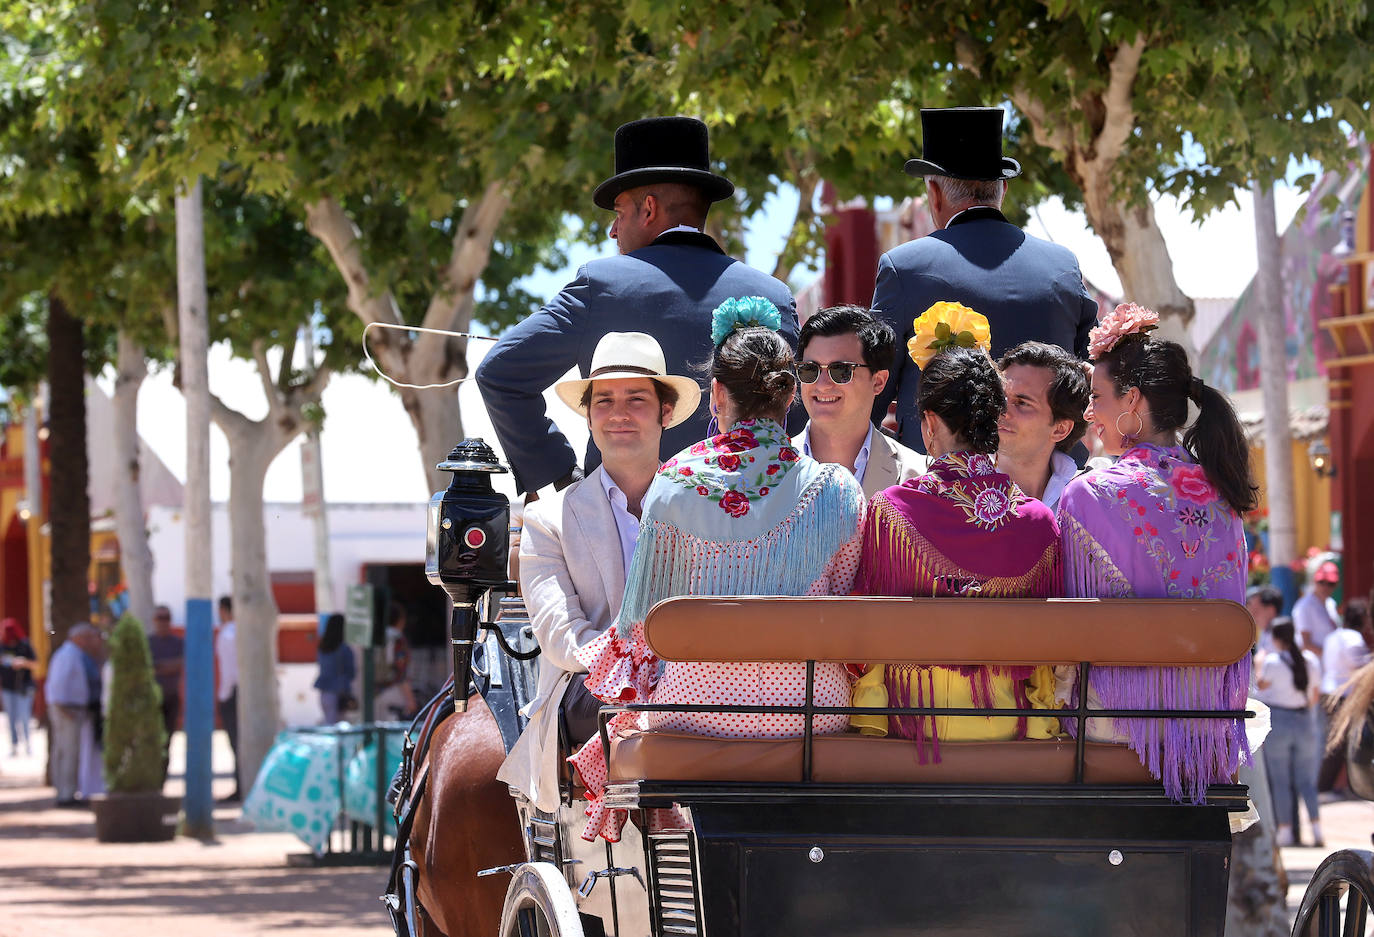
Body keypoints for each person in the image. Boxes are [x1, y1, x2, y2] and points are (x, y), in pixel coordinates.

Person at [569, 297, 866, 842]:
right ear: (789, 395)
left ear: (718, 394)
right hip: (809, 715)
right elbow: (845, 607)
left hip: (695, 714)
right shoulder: (838, 490)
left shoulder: (673, 483)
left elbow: (639, 629)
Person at [477, 116, 797, 494]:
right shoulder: (775, 296)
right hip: (752, 525)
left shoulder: (602, 285)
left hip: (624, 528)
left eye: (618, 213)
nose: (613, 230)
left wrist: (564, 477)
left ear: (648, 208)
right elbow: (798, 410)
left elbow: (500, 373)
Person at [1057, 302, 1257, 803]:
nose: (1089, 412)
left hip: (1120, 727)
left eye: (1097, 397)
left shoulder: (1090, 493)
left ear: (1133, 400)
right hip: (1208, 728)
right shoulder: (1224, 491)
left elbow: (1074, 636)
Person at [498, 331, 698, 813]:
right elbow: (563, 639)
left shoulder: (705, 506)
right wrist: (646, 670)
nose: (619, 414)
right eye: (603, 401)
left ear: (665, 413)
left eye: (636, 399)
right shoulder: (548, 519)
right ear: (588, 417)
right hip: (590, 689)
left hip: (691, 683)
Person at [849, 303, 1061, 748]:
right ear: (994, 423)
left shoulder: (890, 512)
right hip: (1007, 734)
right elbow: (1045, 655)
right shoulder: (1039, 522)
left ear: (929, 426)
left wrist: (869, 722)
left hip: (911, 733)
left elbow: (870, 639)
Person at [870, 107, 1098, 451]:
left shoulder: (904, 267)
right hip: (1048, 479)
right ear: (1002, 189)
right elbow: (1093, 375)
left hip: (940, 482)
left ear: (934, 192)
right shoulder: (1061, 265)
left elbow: (872, 390)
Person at [794, 304, 925, 497]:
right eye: (810, 369)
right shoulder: (765, 475)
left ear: (878, 381)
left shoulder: (919, 477)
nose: (821, 385)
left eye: (840, 370)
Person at [995, 341, 1091, 511]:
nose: (1002, 411)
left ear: (1060, 429)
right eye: (1000, 397)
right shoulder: (949, 485)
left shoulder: (1089, 501)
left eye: (1022, 403)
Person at [1256, 618, 1323, 846]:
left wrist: (1259, 660)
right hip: (1304, 720)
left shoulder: (1272, 662)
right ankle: (1316, 829)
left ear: (1275, 638)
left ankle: (1285, 832)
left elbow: (1260, 686)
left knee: (1281, 779)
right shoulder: (1310, 660)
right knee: (1307, 780)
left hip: (1280, 721)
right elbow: (1314, 696)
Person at [44, 624, 103, 806]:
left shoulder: (74, 655)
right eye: (87, 637)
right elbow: (57, 685)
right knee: (69, 753)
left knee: (66, 752)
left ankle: (65, 792)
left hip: (70, 709)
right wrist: (63, 709)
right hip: (67, 710)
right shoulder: (68, 655)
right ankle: (66, 795)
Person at [1319, 599, 1371, 792]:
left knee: (1337, 741)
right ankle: (1331, 787)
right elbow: (1362, 667)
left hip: (1328, 693)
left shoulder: (1333, 636)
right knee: (1343, 742)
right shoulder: (1353, 638)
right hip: (1344, 696)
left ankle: (1334, 787)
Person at [147, 605, 184, 781]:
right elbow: (146, 668)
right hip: (151, 700)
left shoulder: (177, 642)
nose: (163, 622)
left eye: (166, 618)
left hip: (171, 698)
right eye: (160, 618)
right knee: (150, 740)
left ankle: (161, 778)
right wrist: (163, 667)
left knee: (167, 740)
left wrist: (158, 666)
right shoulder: (148, 642)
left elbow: (179, 664)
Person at [215, 594, 241, 802]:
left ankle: (241, 785)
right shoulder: (243, 632)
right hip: (238, 692)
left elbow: (230, 670)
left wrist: (224, 694)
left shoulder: (227, 634)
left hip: (232, 693)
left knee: (236, 741)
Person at [375, 601, 417, 720]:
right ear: (400, 619)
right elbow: (401, 671)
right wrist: (410, 699)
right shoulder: (398, 639)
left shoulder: (377, 637)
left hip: (375, 693)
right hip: (394, 692)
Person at [0, 618, 36, 757]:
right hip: (8, 688)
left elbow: (35, 663)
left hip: (24, 688)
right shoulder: (2, 646)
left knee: (25, 717)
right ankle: (14, 745)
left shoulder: (24, 645)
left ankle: (28, 744)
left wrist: (23, 663)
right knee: (11, 718)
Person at [1294, 560, 1342, 658]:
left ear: (1336, 585)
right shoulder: (1305, 606)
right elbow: (1305, 644)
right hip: (1314, 667)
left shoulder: (1330, 603)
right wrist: (1331, 657)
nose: (1325, 587)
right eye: (1321, 582)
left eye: (1330, 583)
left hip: (1329, 665)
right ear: (1314, 581)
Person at [314, 613, 356, 725]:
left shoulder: (322, 648)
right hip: (339, 693)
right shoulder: (344, 649)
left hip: (324, 693)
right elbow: (351, 672)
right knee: (339, 728)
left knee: (329, 724)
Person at [1247, 584, 1284, 652]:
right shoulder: (1265, 632)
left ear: (1271, 610)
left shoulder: (1282, 634)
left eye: (1256, 611)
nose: (1253, 616)